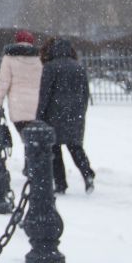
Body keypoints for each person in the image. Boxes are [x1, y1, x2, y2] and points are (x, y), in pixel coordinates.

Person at [38, 37, 95, 193]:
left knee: (55, 150)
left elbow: (45, 94)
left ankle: (60, 183)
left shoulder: (50, 67)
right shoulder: (78, 67)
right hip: (75, 113)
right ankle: (87, 174)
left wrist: (39, 116)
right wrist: (81, 111)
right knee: (75, 147)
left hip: (54, 113)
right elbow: (85, 93)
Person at [0, 30, 44, 129]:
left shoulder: (9, 58)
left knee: (26, 138)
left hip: (18, 106)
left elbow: (3, 84)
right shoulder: (39, 59)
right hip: (37, 105)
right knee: (35, 139)